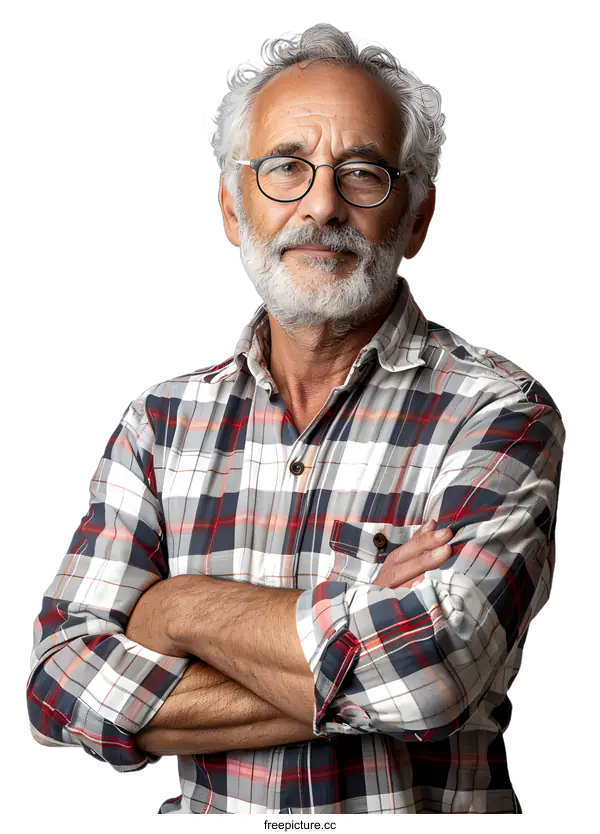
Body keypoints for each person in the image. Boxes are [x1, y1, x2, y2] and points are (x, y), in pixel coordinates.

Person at [25, 24, 566, 814]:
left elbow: (431, 676)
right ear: (231, 209)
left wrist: (178, 609)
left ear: (419, 218)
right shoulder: (159, 423)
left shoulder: (500, 413)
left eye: (364, 173)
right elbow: (55, 686)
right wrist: (362, 621)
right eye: (285, 167)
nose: (321, 205)